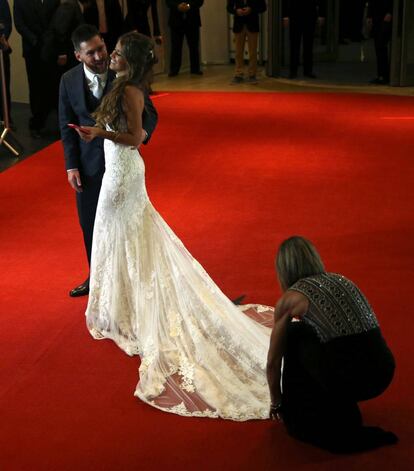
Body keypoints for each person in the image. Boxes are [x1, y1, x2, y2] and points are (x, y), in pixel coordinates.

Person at [75, 31, 275, 420]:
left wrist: (101, 133)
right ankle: (122, 303)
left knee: (131, 234)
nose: (110, 56)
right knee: (117, 236)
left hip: (125, 172)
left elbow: (134, 138)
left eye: (116, 52)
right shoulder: (122, 85)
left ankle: (134, 305)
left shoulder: (132, 91)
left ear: (128, 59)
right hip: (115, 171)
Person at [267, 236, 397, 453]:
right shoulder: (342, 279)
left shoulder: (290, 298)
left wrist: (277, 403)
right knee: (311, 336)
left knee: (293, 335)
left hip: (349, 380)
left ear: (283, 268)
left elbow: (273, 361)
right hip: (384, 371)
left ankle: (301, 416)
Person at [58, 24, 158, 298]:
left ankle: (131, 281)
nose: (101, 56)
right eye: (92, 53)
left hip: (120, 165)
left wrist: (138, 135)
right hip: (88, 166)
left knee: (126, 225)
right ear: (78, 56)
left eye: (102, 48)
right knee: (92, 224)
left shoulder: (124, 76)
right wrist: (71, 166)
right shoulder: (67, 80)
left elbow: (150, 113)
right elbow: (66, 128)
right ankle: (98, 279)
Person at [14, 0, 60, 138]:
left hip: (50, 48)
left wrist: (49, 41)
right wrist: (34, 41)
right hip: (32, 50)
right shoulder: (20, 1)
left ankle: (52, 124)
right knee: (35, 87)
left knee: (52, 85)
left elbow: (57, 20)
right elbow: (19, 24)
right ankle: (36, 124)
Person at [42, 0, 93, 72]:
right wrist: (62, 53)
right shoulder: (69, 6)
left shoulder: (73, 5)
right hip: (60, 53)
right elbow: (59, 30)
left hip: (68, 51)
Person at [282, 0, 326, 79]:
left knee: (308, 44)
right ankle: (294, 70)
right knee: (295, 44)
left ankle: (307, 70)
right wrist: (285, 15)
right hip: (296, 13)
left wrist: (321, 14)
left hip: (309, 13)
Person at [227, 0, 267, 85]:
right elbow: (228, 8)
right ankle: (238, 74)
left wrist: (251, 9)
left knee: (253, 51)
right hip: (238, 24)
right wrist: (236, 11)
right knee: (238, 52)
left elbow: (263, 7)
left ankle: (252, 75)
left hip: (252, 24)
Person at [166, 0, 203, 77]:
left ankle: (195, 68)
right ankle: (174, 69)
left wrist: (188, 6)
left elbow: (200, 1)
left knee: (194, 45)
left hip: (192, 18)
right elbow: (168, 2)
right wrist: (177, 6)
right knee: (176, 45)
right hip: (176, 19)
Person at [367, 0, 393, 85]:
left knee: (381, 45)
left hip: (384, 15)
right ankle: (382, 75)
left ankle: (384, 75)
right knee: (379, 47)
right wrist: (369, 15)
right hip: (377, 15)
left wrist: (390, 12)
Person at [0, 0, 12, 124]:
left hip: (1, 49)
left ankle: (6, 118)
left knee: (3, 85)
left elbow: (7, 23)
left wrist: (4, 37)